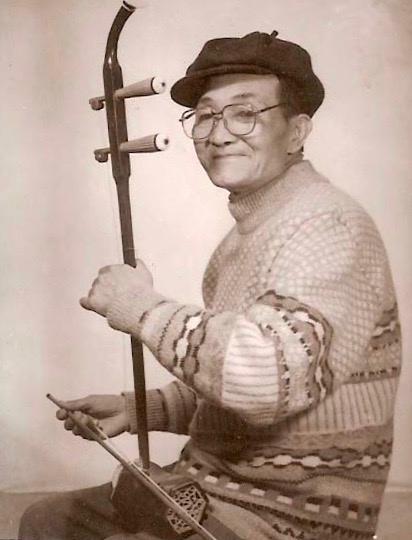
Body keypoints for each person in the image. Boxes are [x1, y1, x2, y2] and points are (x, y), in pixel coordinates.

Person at [19, 31, 401, 540]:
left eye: (244, 113)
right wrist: (141, 408)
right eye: (205, 115)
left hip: (289, 518)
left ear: (296, 131)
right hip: (214, 490)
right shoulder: (246, 237)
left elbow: (266, 383)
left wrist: (142, 308)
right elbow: (241, 397)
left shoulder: (328, 226)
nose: (219, 134)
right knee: (48, 521)